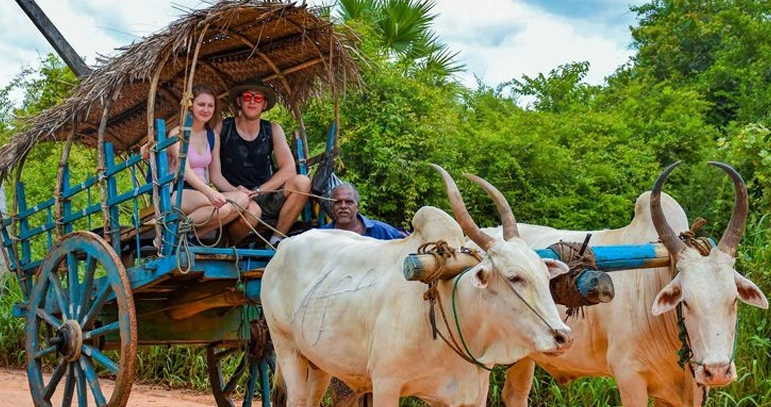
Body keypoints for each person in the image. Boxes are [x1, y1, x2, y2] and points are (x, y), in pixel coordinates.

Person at [210, 77, 311, 246]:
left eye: (258, 98)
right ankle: (230, 245)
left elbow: (289, 170)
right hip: (233, 197)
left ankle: (277, 241)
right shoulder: (222, 128)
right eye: (248, 97)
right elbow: (215, 176)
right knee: (252, 212)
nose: (252, 102)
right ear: (239, 101)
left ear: (264, 104)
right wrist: (238, 192)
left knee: (302, 182)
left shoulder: (272, 129)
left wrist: (259, 191)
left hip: (265, 195)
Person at [143, 84, 252, 240]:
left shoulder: (212, 135)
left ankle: (192, 236)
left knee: (242, 199)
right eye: (201, 104)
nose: (206, 110)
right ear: (191, 106)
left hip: (202, 193)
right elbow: (184, 170)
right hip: (179, 192)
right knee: (222, 209)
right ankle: (176, 231)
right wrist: (209, 193)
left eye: (210, 106)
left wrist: (237, 189)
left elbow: (216, 176)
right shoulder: (178, 133)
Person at [321, 183, 404, 240]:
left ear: (357, 207)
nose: (343, 206)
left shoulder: (383, 231)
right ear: (331, 207)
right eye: (338, 202)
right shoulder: (321, 236)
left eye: (349, 202)